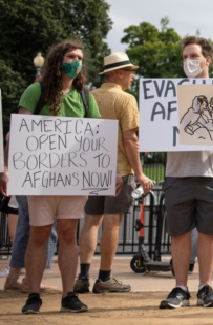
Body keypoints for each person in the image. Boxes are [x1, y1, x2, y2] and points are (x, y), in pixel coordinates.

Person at [4, 40, 101, 314]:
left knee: (69, 234)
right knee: (40, 234)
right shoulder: (36, 91)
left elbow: (97, 138)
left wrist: (112, 171)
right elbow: (19, 132)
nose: (76, 61)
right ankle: (33, 294)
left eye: (80, 57)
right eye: (71, 56)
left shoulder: (85, 97)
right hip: (41, 179)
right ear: (58, 60)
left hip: (73, 180)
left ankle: (68, 294)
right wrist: (8, 169)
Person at [75, 53, 154, 294]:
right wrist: (140, 174)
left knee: (90, 221)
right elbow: (130, 138)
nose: (131, 76)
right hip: (120, 169)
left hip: (94, 168)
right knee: (112, 224)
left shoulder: (89, 96)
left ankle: (83, 276)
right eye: (129, 71)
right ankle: (105, 278)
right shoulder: (126, 99)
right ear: (119, 73)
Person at [159, 36, 213, 310]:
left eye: (195, 56)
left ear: (207, 60)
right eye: (186, 56)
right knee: (179, 234)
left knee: (209, 234)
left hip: (212, 173)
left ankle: (205, 287)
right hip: (178, 173)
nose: (189, 61)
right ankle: (180, 288)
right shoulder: (169, 93)